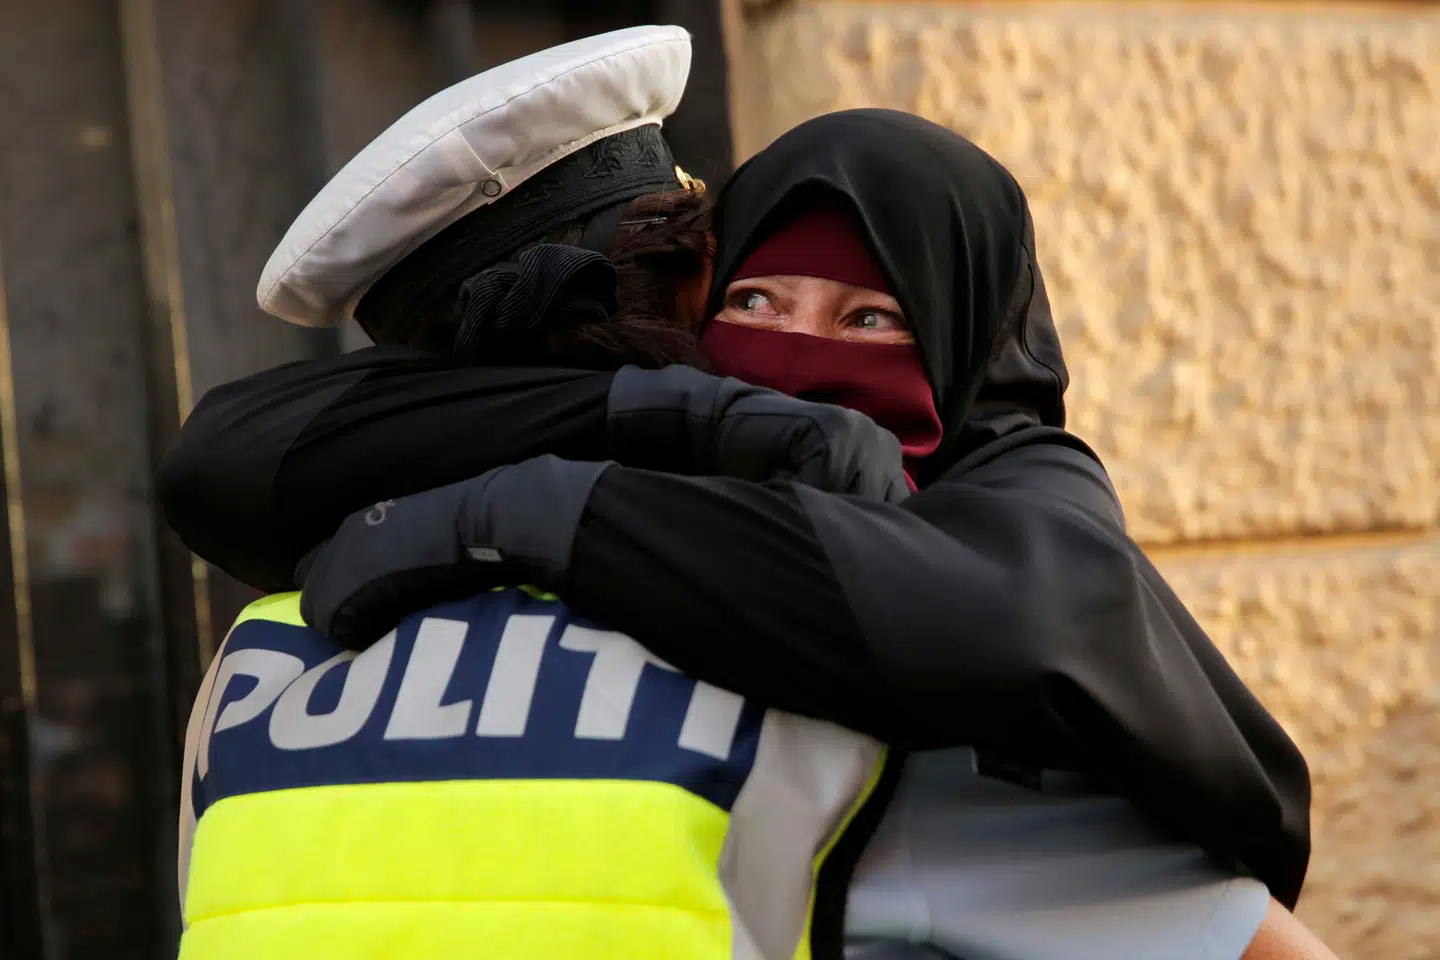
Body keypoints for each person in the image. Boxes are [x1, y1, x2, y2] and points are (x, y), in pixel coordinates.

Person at [160, 36, 1326, 960]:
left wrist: (521, 502)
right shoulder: (843, 697)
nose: (801, 361)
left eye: (873, 318)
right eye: (751, 303)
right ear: (679, 318)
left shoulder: (260, 664)